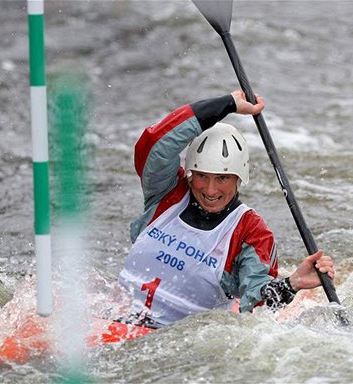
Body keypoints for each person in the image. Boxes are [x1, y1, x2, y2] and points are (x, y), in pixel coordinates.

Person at [118, 90, 335, 328]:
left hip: (174, 339)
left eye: (222, 179)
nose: (210, 191)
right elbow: (155, 143)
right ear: (190, 175)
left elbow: (256, 303)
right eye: (201, 176)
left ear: (238, 179)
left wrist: (292, 283)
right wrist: (226, 104)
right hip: (115, 318)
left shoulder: (250, 231)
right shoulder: (166, 193)